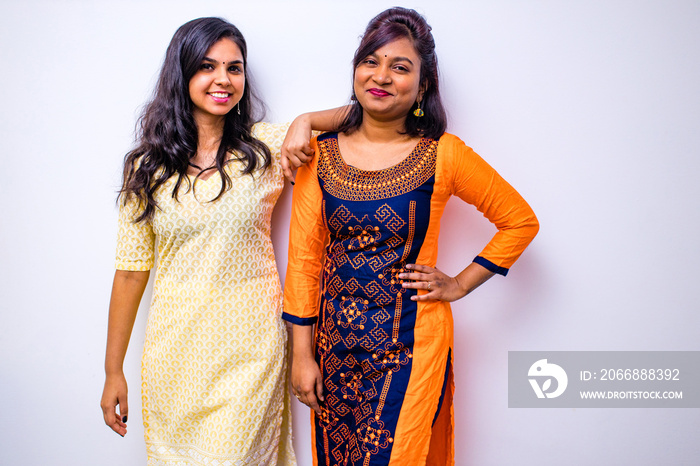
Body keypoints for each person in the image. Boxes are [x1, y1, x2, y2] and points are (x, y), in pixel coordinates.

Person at [283, 7, 540, 465]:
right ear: (356, 70)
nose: (381, 76)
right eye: (370, 61)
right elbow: (304, 262)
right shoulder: (318, 156)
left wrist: (459, 284)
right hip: (333, 350)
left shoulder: (443, 155)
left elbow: (519, 221)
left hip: (410, 345)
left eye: (400, 67)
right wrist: (301, 355)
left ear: (422, 86)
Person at [99, 17, 339, 465]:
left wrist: (307, 120)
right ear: (182, 73)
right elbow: (131, 272)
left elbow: (358, 114)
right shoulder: (146, 167)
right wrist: (114, 371)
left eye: (235, 68)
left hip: (250, 353)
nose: (224, 80)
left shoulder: (266, 147)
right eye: (208, 67)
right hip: (174, 356)